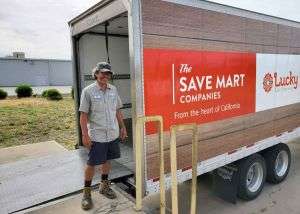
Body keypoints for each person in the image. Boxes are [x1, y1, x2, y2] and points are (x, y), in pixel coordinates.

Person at [79, 62, 127, 210]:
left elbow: (117, 110)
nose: (105, 76)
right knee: (92, 163)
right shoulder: (88, 91)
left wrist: (123, 127)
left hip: (112, 133)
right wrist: (85, 135)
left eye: (108, 74)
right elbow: (83, 115)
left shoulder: (114, 89)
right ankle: (86, 193)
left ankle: (104, 186)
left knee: (107, 160)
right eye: (102, 73)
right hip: (97, 135)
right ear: (96, 74)